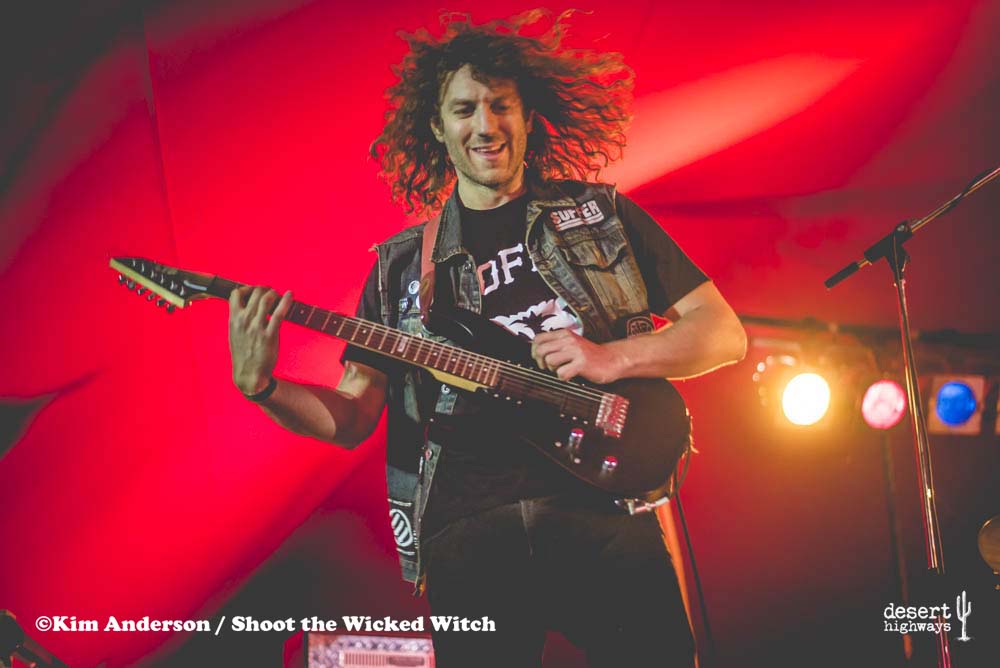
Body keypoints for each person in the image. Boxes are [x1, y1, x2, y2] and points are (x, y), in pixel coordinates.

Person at [227, 10, 746, 667]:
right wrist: (264, 389)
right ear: (438, 128)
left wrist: (610, 358)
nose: (485, 125)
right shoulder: (399, 267)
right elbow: (354, 416)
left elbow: (722, 333)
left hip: (604, 506)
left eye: (501, 105)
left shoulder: (599, 214)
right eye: (464, 109)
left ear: (528, 117)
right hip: (468, 528)